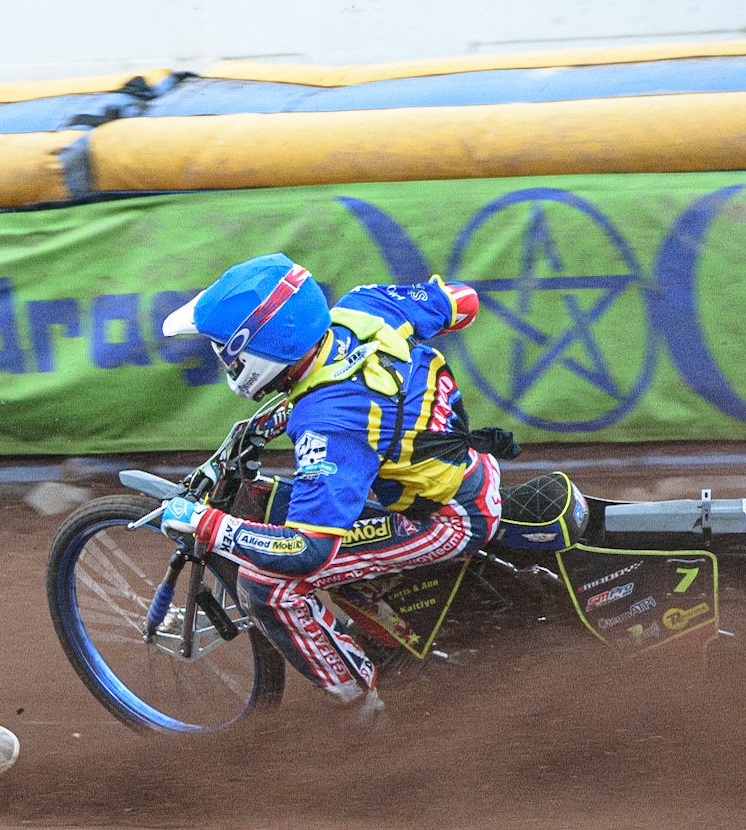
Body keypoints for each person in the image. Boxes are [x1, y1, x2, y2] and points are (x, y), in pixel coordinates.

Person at [157, 254, 507, 721]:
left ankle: (364, 710)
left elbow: (308, 551)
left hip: (445, 519)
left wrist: (208, 524)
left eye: (226, 348)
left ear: (255, 353)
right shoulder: (364, 307)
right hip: (461, 470)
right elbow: (463, 301)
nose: (223, 357)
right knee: (283, 502)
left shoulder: (327, 426)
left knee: (267, 585)